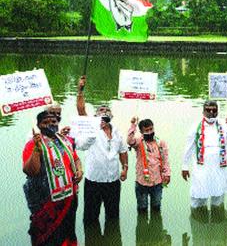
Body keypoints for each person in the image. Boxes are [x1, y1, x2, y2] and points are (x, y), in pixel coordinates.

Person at [22, 111, 83, 246]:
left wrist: (79, 170)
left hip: (69, 198)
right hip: (46, 201)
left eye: (54, 122)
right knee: (49, 237)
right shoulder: (33, 144)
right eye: (45, 122)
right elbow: (31, 171)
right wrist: (37, 150)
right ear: (38, 125)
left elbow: (75, 159)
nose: (50, 124)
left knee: (68, 232)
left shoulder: (64, 140)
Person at [75, 75, 128, 226]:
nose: (104, 111)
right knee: (91, 219)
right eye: (101, 110)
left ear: (111, 116)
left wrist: (125, 168)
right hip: (94, 182)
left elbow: (123, 151)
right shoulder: (91, 127)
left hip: (113, 181)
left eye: (107, 110)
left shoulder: (117, 132)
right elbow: (81, 109)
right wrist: (80, 90)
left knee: (113, 217)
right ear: (95, 115)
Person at [182, 100, 227, 209]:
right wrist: (184, 166)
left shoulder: (223, 124)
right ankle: (199, 220)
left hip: (219, 167)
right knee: (199, 196)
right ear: (203, 111)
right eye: (208, 110)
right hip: (201, 168)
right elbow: (188, 148)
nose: (211, 112)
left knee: (218, 196)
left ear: (217, 111)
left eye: (214, 110)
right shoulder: (195, 126)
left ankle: (217, 221)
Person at [127, 117, 171, 213]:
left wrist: (167, 174)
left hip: (157, 182)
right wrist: (133, 125)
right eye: (146, 130)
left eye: (151, 129)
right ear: (141, 132)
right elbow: (130, 142)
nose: (150, 132)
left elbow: (165, 160)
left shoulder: (160, 143)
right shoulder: (138, 142)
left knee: (156, 207)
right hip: (142, 182)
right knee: (142, 209)